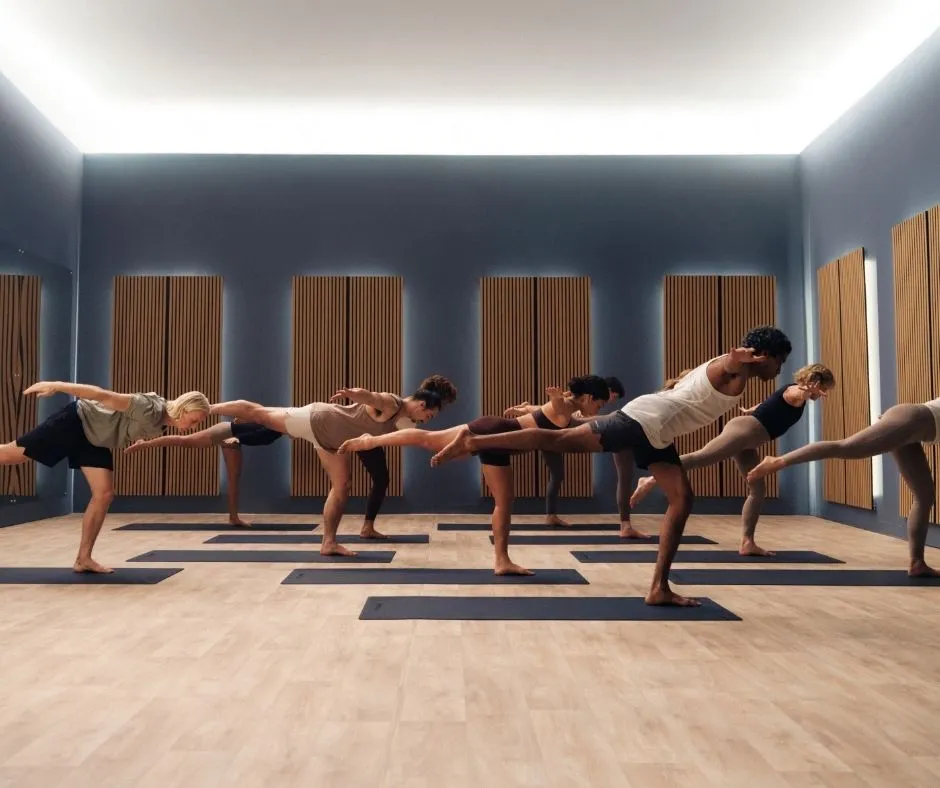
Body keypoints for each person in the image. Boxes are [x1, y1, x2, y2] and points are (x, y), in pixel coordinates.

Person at [425, 326, 793, 606]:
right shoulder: (732, 368)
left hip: (659, 432)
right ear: (765, 355)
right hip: (643, 420)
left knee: (683, 500)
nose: (780, 369)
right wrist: (739, 357)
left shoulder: (738, 372)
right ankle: (474, 441)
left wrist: (741, 361)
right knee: (557, 439)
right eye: (780, 361)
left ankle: (659, 588)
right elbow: (728, 363)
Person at [338, 375, 612, 575]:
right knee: (431, 442)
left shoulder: (567, 410)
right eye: (599, 405)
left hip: (496, 435)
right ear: (588, 398)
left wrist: (528, 407)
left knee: (500, 498)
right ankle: (374, 441)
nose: (598, 410)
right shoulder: (564, 405)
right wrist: (554, 398)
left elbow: (564, 419)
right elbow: (560, 408)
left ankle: (502, 560)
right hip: (494, 433)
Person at [205, 376, 457, 557]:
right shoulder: (393, 404)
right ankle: (206, 409)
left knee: (342, 486)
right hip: (318, 420)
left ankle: (329, 543)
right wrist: (353, 394)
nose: (427, 420)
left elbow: (420, 438)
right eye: (430, 416)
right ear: (422, 405)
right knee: (257, 413)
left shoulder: (404, 420)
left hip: (330, 441)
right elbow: (371, 396)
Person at [0, 382, 210, 573]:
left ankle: (83, 558)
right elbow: (101, 395)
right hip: (76, 422)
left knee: (104, 494)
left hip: (95, 440)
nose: (192, 427)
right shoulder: (147, 407)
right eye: (193, 420)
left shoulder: (163, 418)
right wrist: (56, 386)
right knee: (9, 456)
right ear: (184, 409)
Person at [630, 363, 835, 555]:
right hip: (745, 432)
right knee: (702, 457)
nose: (824, 393)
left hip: (749, 439)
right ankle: (650, 479)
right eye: (824, 387)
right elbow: (795, 394)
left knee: (757, 489)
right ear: (816, 382)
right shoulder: (796, 392)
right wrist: (806, 391)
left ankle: (748, 542)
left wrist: (751, 409)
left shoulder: (791, 390)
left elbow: (769, 402)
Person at [746, 396, 940, 578]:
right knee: (846, 448)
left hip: (911, 423)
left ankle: (917, 563)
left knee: (924, 496)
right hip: (911, 420)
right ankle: (778, 461)